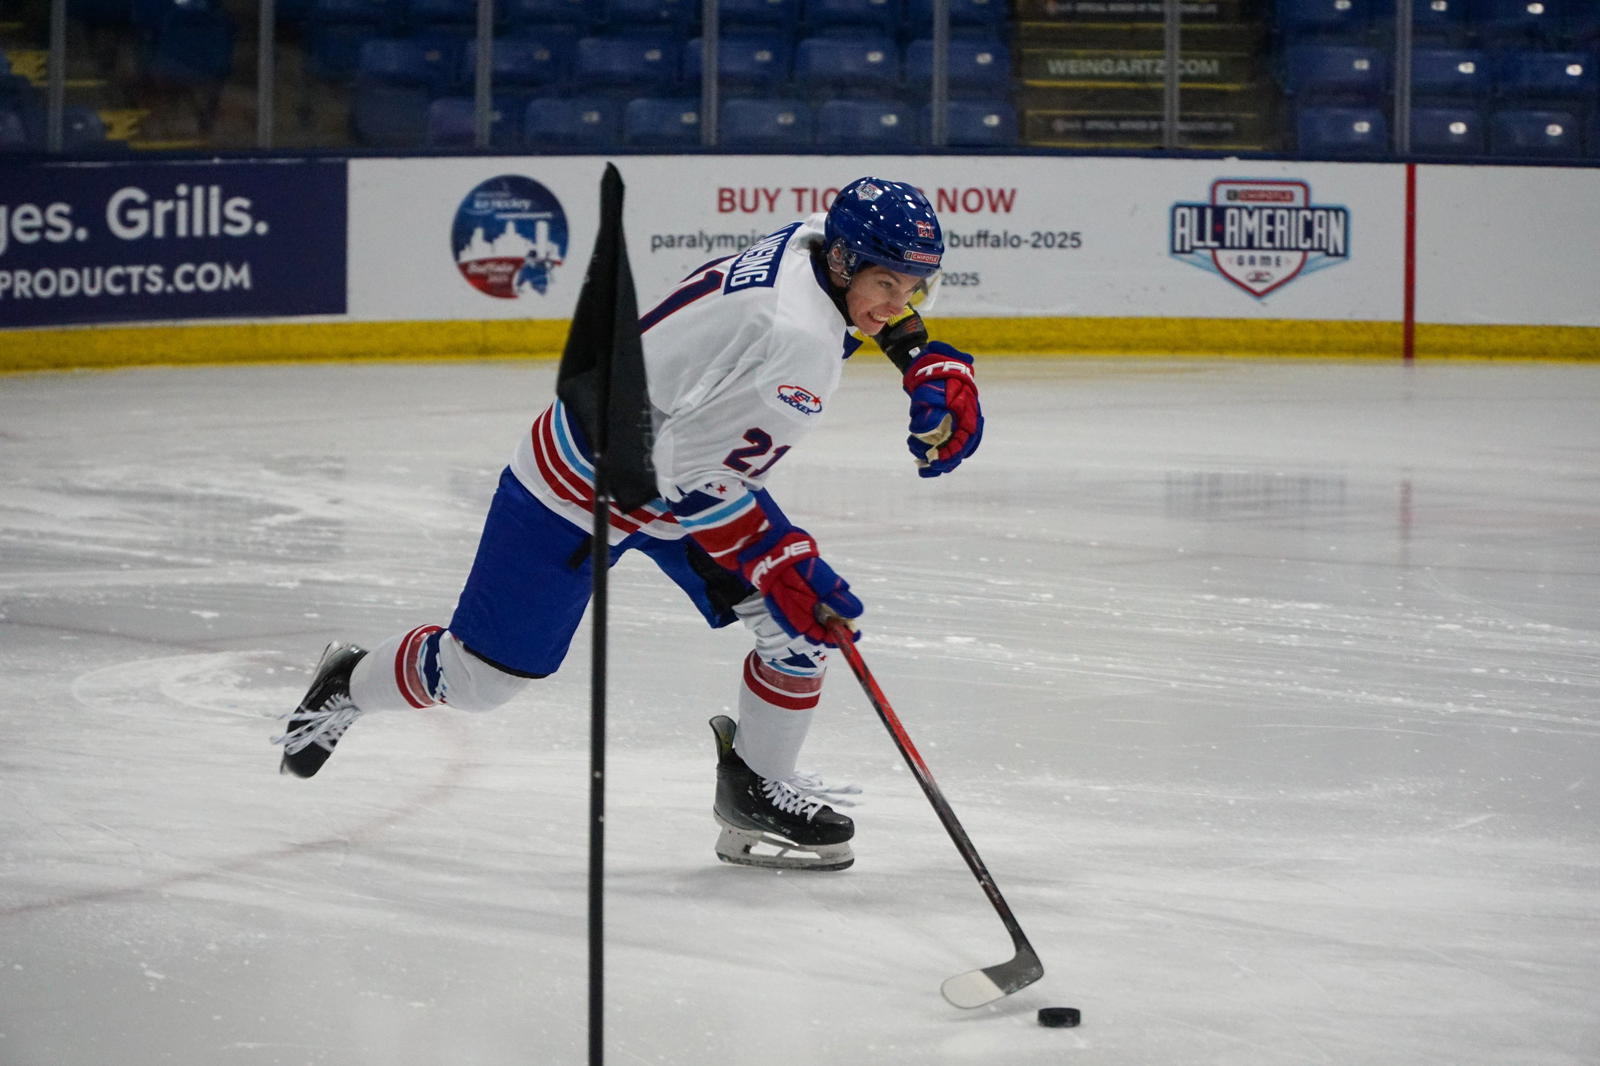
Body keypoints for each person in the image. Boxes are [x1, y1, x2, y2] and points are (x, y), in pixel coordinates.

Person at [273, 176, 984, 872]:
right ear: (843, 261)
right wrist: (777, 558)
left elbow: (691, 460)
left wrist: (921, 355)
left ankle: (754, 790)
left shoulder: (808, 243)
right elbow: (691, 475)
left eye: (914, 287)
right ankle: (348, 682)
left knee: (802, 626)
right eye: (887, 285)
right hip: (577, 489)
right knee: (479, 682)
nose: (900, 302)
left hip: (672, 461)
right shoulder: (797, 344)